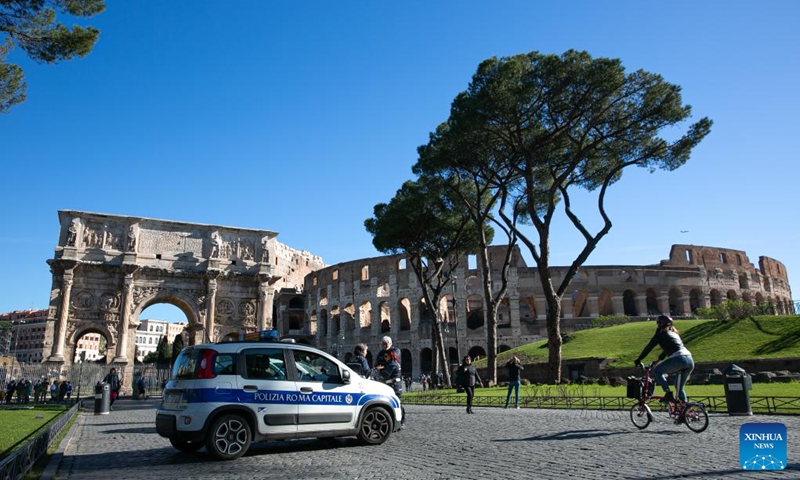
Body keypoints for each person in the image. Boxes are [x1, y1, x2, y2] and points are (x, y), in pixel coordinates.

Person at [634, 314, 695, 404]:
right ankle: (685, 410)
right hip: (689, 360)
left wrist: (639, 359)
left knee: (657, 370)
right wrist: (657, 361)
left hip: (678, 359)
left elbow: (648, 348)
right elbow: (667, 351)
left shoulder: (660, 334)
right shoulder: (674, 334)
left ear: (659, 324)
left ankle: (668, 393)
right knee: (679, 388)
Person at [378, 349, 405, 428]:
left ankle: (400, 422)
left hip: (394, 387)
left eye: (386, 356)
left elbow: (385, 375)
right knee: (398, 404)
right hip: (395, 386)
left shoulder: (392, 364)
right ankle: (400, 422)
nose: (384, 358)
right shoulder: (394, 363)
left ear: (391, 356)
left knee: (397, 405)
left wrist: (379, 371)